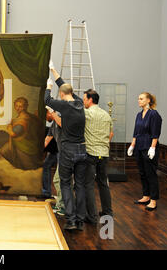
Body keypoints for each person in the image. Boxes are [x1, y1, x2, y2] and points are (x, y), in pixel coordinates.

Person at [45, 61, 87, 231]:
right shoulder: (79, 103)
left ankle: (71, 220)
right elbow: (63, 86)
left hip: (68, 149)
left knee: (65, 183)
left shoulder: (64, 105)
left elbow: (47, 99)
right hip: (82, 149)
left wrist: (48, 86)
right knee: (80, 185)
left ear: (61, 95)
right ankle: (81, 219)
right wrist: (53, 70)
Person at [83, 89, 114, 223]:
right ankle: (108, 211)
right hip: (104, 154)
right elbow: (111, 134)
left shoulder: (86, 113)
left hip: (91, 153)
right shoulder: (106, 115)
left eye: (84, 99)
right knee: (103, 184)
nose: (83, 101)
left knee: (88, 185)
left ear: (90, 100)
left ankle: (92, 216)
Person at [127, 92, 162, 211]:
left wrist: (152, 147)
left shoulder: (154, 114)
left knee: (150, 173)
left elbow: (155, 133)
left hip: (149, 147)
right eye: (138, 99)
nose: (139, 100)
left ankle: (153, 200)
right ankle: (146, 196)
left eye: (141, 99)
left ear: (148, 100)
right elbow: (136, 132)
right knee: (142, 173)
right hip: (139, 147)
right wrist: (132, 145)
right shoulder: (139, 114)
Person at [42, 109, 59, 198]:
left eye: (46, 115)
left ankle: (62, 201)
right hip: (55, 150)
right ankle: (46, 192)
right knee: (46, 165)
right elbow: (47, 139)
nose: (46, 118)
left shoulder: (59, 120)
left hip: (62, 151)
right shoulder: (54, 124)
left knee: (59, 178)